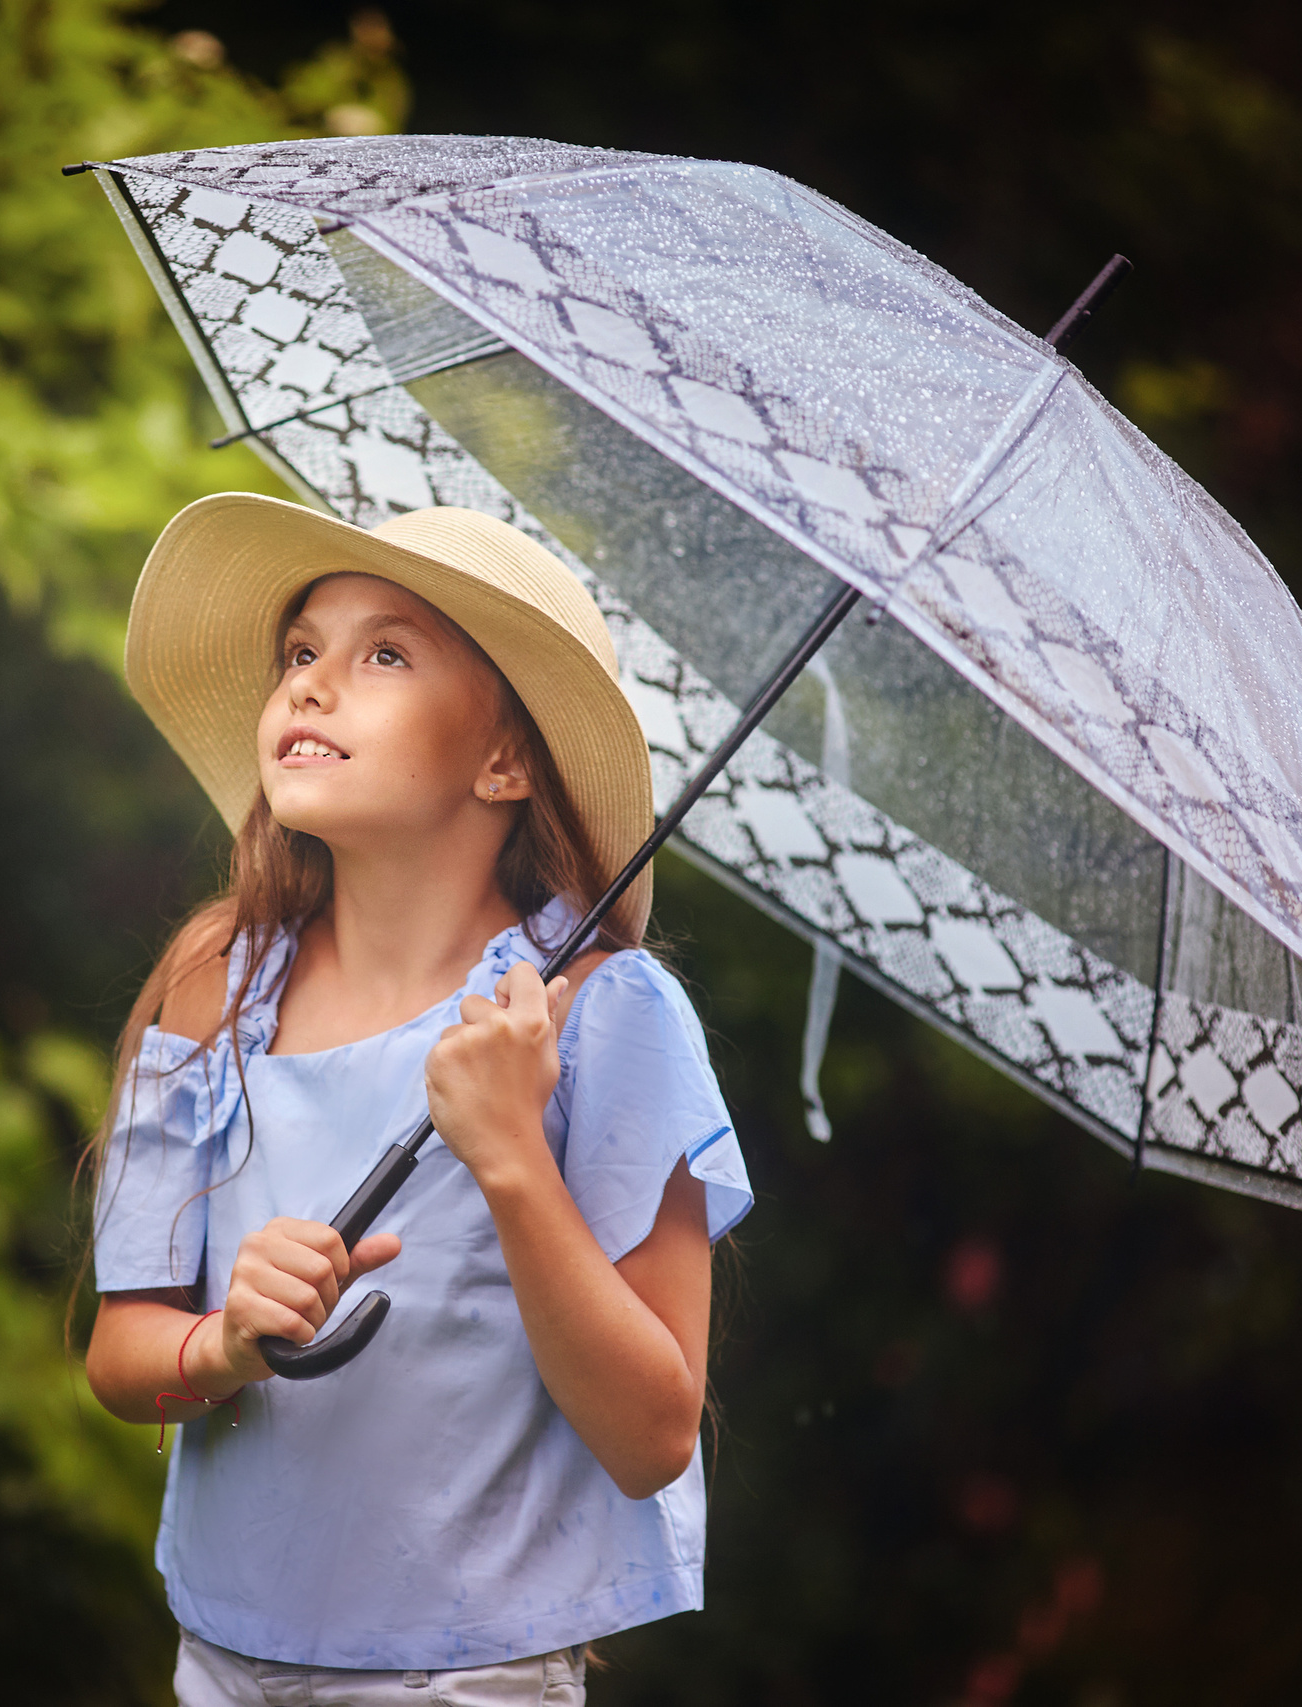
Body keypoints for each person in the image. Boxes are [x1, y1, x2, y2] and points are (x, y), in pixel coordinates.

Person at [85, 494, 755, 1705]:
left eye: (383, 654)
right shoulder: (211, 982)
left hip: (468, 1675)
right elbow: (122, 1351)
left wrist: (509, 1154)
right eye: (300, 652)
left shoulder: (603, 1017)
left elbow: (652, 1435)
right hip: (224, 1664)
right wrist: (222, 1345)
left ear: (504, 760)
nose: (311, 685)